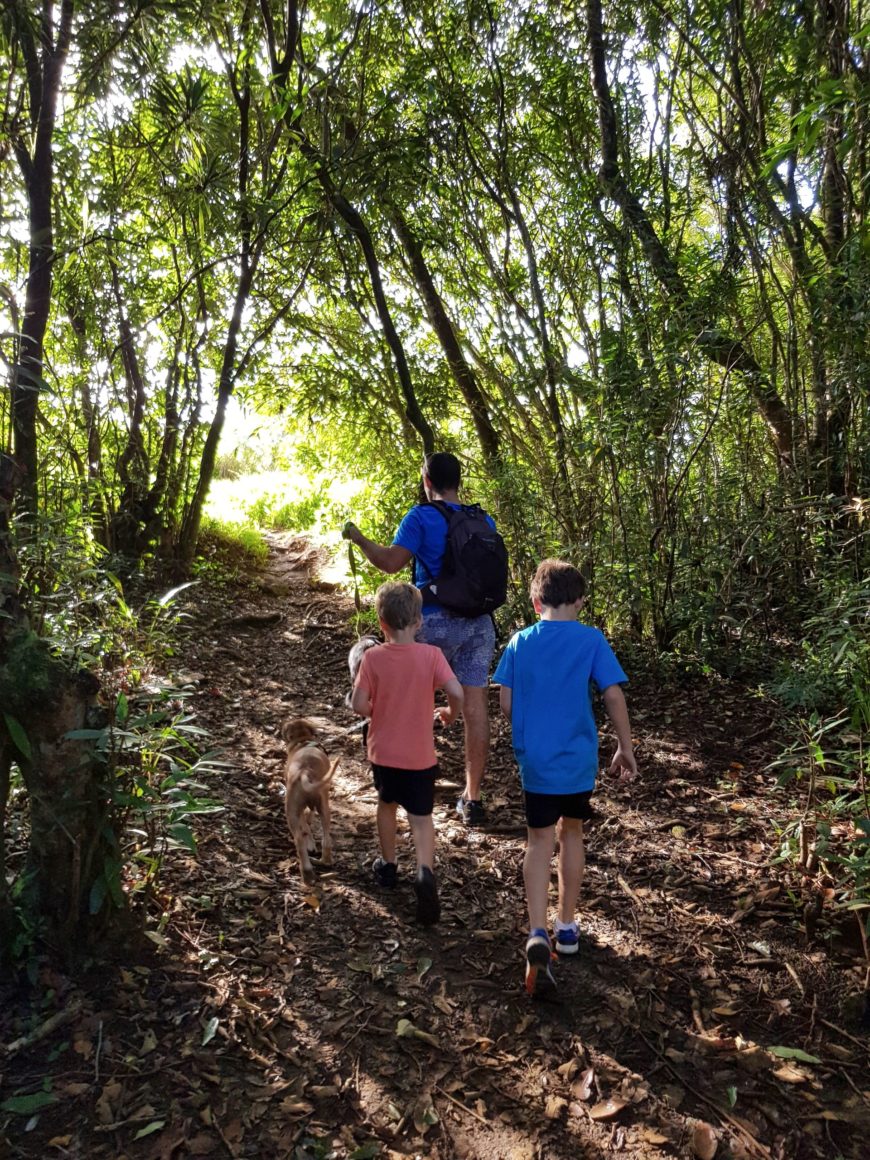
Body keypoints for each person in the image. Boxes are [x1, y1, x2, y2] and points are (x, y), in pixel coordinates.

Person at [493, 559, 637, 998]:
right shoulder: (591, 639)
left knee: (538, 841)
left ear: (536, 601)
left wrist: (529, 733)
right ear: (580, 601)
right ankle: (567, 927)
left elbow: (504, 701)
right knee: (571, 833)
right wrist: (625, 746)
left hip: (537, 762)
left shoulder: (520, 641)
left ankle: (537, 930)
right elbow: (612, 693)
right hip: (578, 761)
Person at [343, 452, 497, 826]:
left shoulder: (420, 517)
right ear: (458, 481)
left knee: (404, 694)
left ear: (427, 480)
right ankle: (472, 798)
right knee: (475, 706)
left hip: (430, 622)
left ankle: (402, 779)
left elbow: (391, 563)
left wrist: (358, 537)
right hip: (478, 624)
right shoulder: (483, 519)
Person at [351, 581, 464, 925]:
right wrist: (450, 713)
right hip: (420, 758)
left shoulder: (372, 658)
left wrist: (378, 710)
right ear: (419, 622)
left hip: (384, 754)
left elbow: (358, 705)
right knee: (421, 818)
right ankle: (424, 872)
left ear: (382, 624)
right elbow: (456, 691)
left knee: (386, 806)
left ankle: (387, 867)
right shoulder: (431, 656)